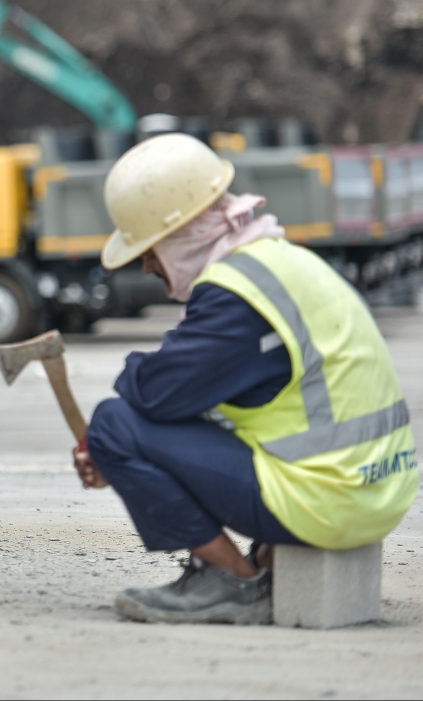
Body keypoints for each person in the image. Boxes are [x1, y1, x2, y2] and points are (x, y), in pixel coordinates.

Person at [75, 133, 416, 623]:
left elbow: (153, 394)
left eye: (151, 248)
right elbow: (258, 402)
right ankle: (261, 561)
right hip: (378, 490)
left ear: (182, 233)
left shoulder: (236, 295)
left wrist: (112, 445)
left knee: (113, 424)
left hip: (330, 499)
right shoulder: (287, 262)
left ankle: (234, 582)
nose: (147, 263)